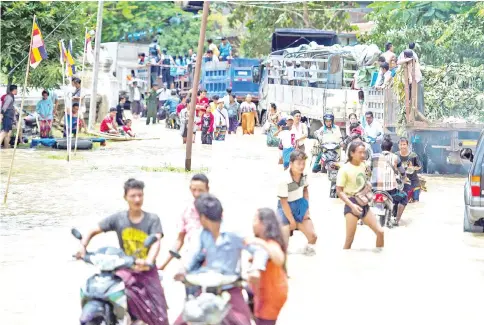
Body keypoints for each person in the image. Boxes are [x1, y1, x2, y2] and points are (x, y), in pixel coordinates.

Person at [75, 178, 168, 325]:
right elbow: (93, 230)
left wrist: (148, 261)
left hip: (146, 271)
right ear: (125, 197)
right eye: (133, 196)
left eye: (140, 195)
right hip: (125, 269)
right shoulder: (118, 218)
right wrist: (82, 247)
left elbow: (156, 241)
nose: (137, 199)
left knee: (159, 315)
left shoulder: (152, 219)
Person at [173, 193, 269, 325]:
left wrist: (256, 270)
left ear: (203, 217)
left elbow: (259, 251)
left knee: (242, 322)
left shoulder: (233, 233)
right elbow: (193, 255)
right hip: (206, 289)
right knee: (180, 322)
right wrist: (183, 269)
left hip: (230, 288)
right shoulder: (202, 234)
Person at [336, 141, 384, 249]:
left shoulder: (364, 165)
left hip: (363, 203)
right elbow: (339, 191)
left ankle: (380, 260)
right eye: (360, 152)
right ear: (352, 153)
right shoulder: (345, 169)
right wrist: (352, 206)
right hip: (351, 203)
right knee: (349, 241)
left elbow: (366, 180)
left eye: (364, 153)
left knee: (380, 232)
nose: (363, 155)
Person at [158, 174, 210, 271]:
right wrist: (162, 266)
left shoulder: (215, 210)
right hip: (192, 260)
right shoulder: (187, 212)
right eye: (194, 190)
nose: (197, 194)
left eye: (200, 190)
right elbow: (179, 240)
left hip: (211, 261)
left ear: (207, 189)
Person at [248, 208, 288, 325]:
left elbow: (279, 259)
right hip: (269, 292)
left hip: (270, 296)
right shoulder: (268, 243)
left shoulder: (270, 244)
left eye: (255, 220)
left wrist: (260, 243)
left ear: (264, 224)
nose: (253, 223)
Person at [276, 150, 317, 255]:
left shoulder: (304, 175)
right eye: (298, 163)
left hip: (299, 204)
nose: (301, 166)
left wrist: (306, 210)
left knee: (313, 237)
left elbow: (305, 190)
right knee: (283, 249)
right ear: (291, 164)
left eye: (303, 163)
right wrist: (292, 221)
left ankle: (305, 252)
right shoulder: (283, 179)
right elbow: (284, 202)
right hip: (284, 208)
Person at [370, 139, 408, 226]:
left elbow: (370, 169)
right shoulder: (395, 157)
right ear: (391, 148)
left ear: (381, 147)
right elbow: (402, 172)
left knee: (364, 197)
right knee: (404, 197)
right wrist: (404, 178)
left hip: (375, 189)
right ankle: (396, 221)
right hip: (391, 191)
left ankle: (362, 219)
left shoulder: (373, 157)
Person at [398, 50, 424, 115]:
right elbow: (398, 62)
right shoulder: (413, 60)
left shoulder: (411, 62)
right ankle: (417, 114)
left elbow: (398, 62)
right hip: (418, 81)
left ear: (405, 56)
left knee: (416, 100)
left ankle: (417, 115)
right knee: (417, 99)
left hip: (416, 82)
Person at [397, 137, 422, 203]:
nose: (402, 146)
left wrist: (412, 168)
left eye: (404, 144)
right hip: (401, 183)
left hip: (414, 182)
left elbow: (419, 166)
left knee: (416, 202)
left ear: (407, 145)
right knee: (401, 203)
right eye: (401, 144)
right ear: (398, 146)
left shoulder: (413, 155)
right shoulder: (396, 155)